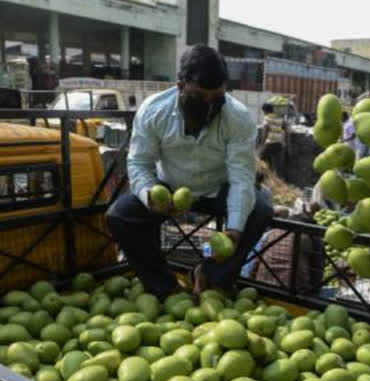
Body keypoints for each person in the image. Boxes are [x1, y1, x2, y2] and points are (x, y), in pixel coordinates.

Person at [106, 44, 273, 298]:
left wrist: (235, 228)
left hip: (218, 187)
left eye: (216, 99)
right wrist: (149, 195)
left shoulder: (238, 117)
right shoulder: (153, 111)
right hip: (169, 186)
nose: (208, 106)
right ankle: (166, 287)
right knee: (119, 217)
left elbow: (241, 177)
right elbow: (139, 164)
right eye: (199, 98)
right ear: (180, 86)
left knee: (260, 210)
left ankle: (210, 274)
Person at [259, 103, 287, 173]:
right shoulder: (280, 118)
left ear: (266, 111)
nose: (264, 113)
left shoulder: (267, 118)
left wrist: (262, 145)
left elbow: (265, 131)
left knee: (260, 160)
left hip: (269, 143)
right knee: (277, 166)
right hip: (279, 144)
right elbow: (285, 128)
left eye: (264, 112)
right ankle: (277, 181)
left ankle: (259, 179)